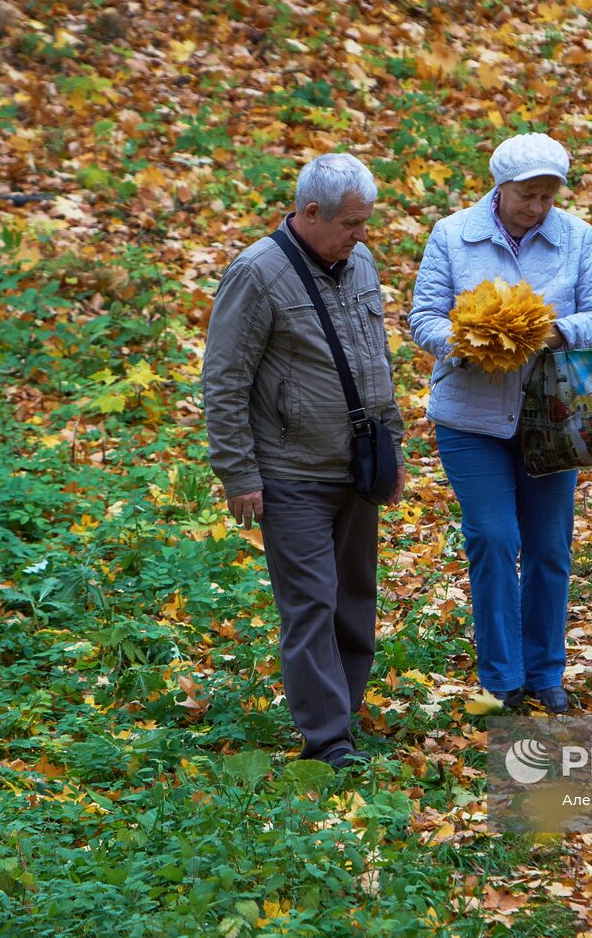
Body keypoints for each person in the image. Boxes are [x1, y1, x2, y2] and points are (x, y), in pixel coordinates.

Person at [203, 153, 405, 768]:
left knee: (354, 599)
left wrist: (391, 444)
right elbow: (224, 379)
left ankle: (342, 713)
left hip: (359, 466)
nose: (360, 235)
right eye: (350, 223)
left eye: (365, 222)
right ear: (309, 212)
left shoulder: (360, 261)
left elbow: (376, 358)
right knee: (311, 603)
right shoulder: (257, 274)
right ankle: (328, 741)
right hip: (291, 473)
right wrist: (238, 473)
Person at [409, 132, 592, 714]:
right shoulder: (454, 235)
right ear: (500, 188)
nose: (539, 207)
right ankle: (502, 679)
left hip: (552, 418)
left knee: (550, 548)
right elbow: (422, 317)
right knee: (494, 540)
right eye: (529, 194)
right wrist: (464, 342)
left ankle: (545, 673)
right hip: (470, 419)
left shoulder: (575, 237)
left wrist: (554, 331)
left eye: (550, 196)